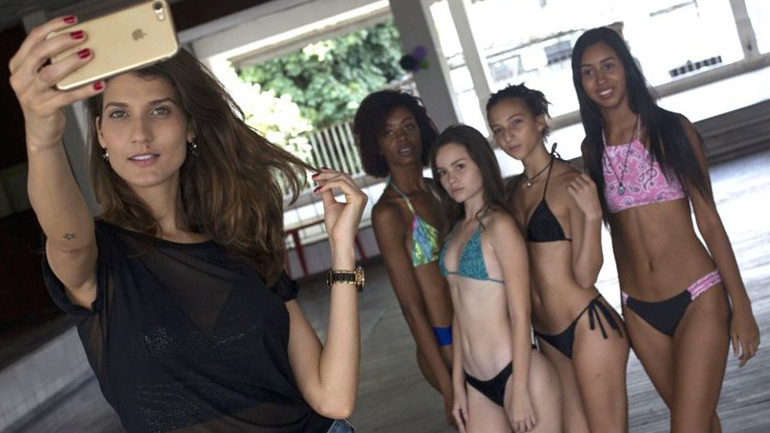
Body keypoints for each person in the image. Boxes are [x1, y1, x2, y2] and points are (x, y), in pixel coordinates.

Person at [10, 15, 367, 433]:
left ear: (191, 127)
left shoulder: (240, 244)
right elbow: (67, 238)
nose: (140, 133)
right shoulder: (98, 260)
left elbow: (333, 397)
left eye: (160, 110)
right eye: (119, 114)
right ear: (100, 133)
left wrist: (342, 247)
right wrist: (42, 138)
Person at [571, 27, 761, 433]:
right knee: (701, 421)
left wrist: (741, 305)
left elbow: (708, 220)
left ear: (627, 68)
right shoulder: (593, 150)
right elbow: (615, 235)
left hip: (698, 296)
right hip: (640, 312)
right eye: (588, 72)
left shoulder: (672, 130)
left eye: (608, 66)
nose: (601, 79)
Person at [487, 83, 629, 432]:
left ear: (539, 121)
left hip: (588, 327)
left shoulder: (572, 183)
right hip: (547, 336)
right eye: (498, 130)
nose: (508, 136)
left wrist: (593, 218)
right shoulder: (510, 192)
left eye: (516, 123)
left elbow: (586, 275)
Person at [431, 124, 561, 433]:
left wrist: (520, 390)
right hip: (475, 382)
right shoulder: (453, 231)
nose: (451, 179)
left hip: (518, 371)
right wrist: (458, 384)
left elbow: (521, 313)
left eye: (460, 166)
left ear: (481, 163)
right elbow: (459, 314)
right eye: (442, 172)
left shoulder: (499, 225)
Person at [353, 90, 455, 424]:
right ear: (377, 145)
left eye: (408, 126)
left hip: (481, 326)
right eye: (388, 132)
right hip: (445, 342)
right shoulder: (388, 213)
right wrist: (448, 387)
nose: (401, 138)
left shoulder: (443, 187)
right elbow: (411, 308)